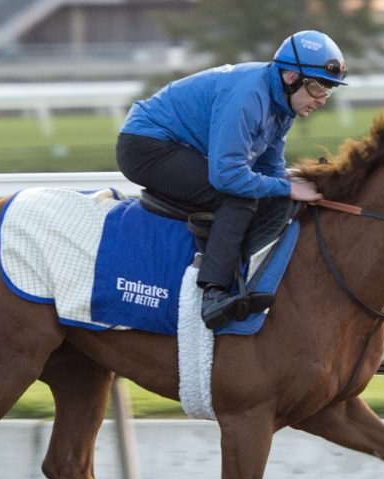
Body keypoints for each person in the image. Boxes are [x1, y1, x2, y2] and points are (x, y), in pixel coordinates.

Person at [116, 30, 348, 329]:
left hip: (178, 146)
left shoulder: (282, 108)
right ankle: (213, 294)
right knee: (236, 196)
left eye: (329, 90)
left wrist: (290, 188)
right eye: (318, 87)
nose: (322, 100)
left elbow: (270, 168)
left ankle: (242, 276)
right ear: (291, 77)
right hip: (146, 146)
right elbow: (227, 177)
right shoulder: (249, 96)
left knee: (275, 197)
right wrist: (287, 186)